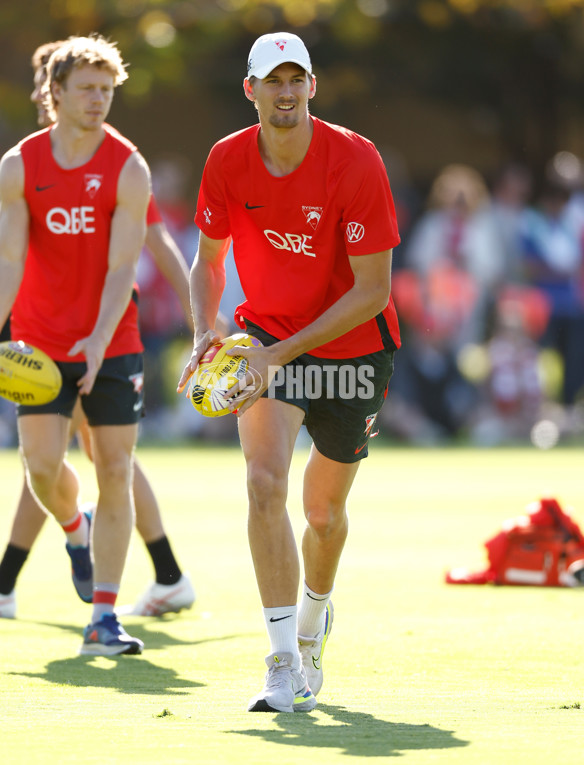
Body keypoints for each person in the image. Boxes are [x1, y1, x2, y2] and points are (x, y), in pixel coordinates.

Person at [178, 32, 400, 712]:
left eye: (295, 78)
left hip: (354, 348)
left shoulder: (355, 160)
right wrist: (204, 326)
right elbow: (209, 260)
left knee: (324, 513)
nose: (284, 90)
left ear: (311, 85)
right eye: (270, 79)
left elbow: (373, 291)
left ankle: (311, 626)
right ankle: (280, 660)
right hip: (267, 338)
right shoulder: (226, 160)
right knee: (262, 480)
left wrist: (280, 353)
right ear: (250, 89)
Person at [0, 40, 197, 621]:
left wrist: (197, 315)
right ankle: (131, 561)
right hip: (39, 341)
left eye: (107, 89)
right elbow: (8, 259)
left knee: (113, 464)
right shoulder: (22, 164)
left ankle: (41, 591)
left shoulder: (125, 166)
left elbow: (143, 254)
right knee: (50, 465)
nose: (100, 100)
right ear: (55, 92)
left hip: (105, 340)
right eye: (88, 88)